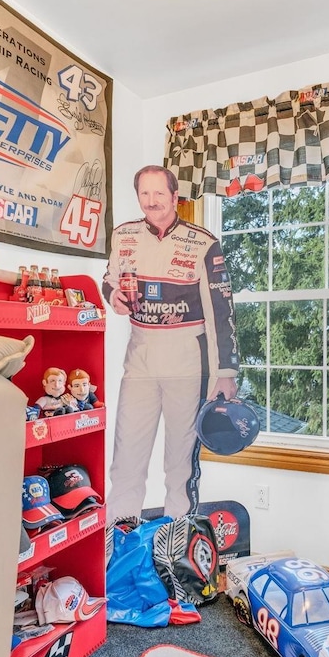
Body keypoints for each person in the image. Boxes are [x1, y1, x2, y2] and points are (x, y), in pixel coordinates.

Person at [102, 164, 239, 522]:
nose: (152, 201)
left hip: (187, 363)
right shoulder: (123, 236)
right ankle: (120, 541)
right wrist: (113, 296)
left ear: (174, 197)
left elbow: (222, 313)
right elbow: (109, 280)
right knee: (127, 457)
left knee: (179, 464)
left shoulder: (203, 243)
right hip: (141, 357)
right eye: (144, 194)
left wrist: (225, 372)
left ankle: (179, 543)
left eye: (159, 193)